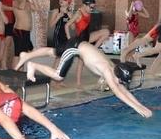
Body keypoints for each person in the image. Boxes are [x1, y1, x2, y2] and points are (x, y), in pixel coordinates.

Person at [15, 42, 153, 119]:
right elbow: (118, 92)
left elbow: (123, 89)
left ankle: (26, 55)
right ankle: (33, 65)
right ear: (118, 76)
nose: (121, 83)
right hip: (76, 49)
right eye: (121, 81)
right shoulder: (107, 70)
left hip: (80, 44)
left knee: (53, 52)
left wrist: (142, 106)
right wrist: (137, 108)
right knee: (58, 76)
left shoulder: (114, 69)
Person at [11, 0, 41, 69]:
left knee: (23, 54)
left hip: (26, 32)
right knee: (17, 54)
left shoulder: (28, 2)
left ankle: (19, 73)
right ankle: (14, 73)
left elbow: (37, 8)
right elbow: (21, 7)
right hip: (19, 31)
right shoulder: (15, 1)